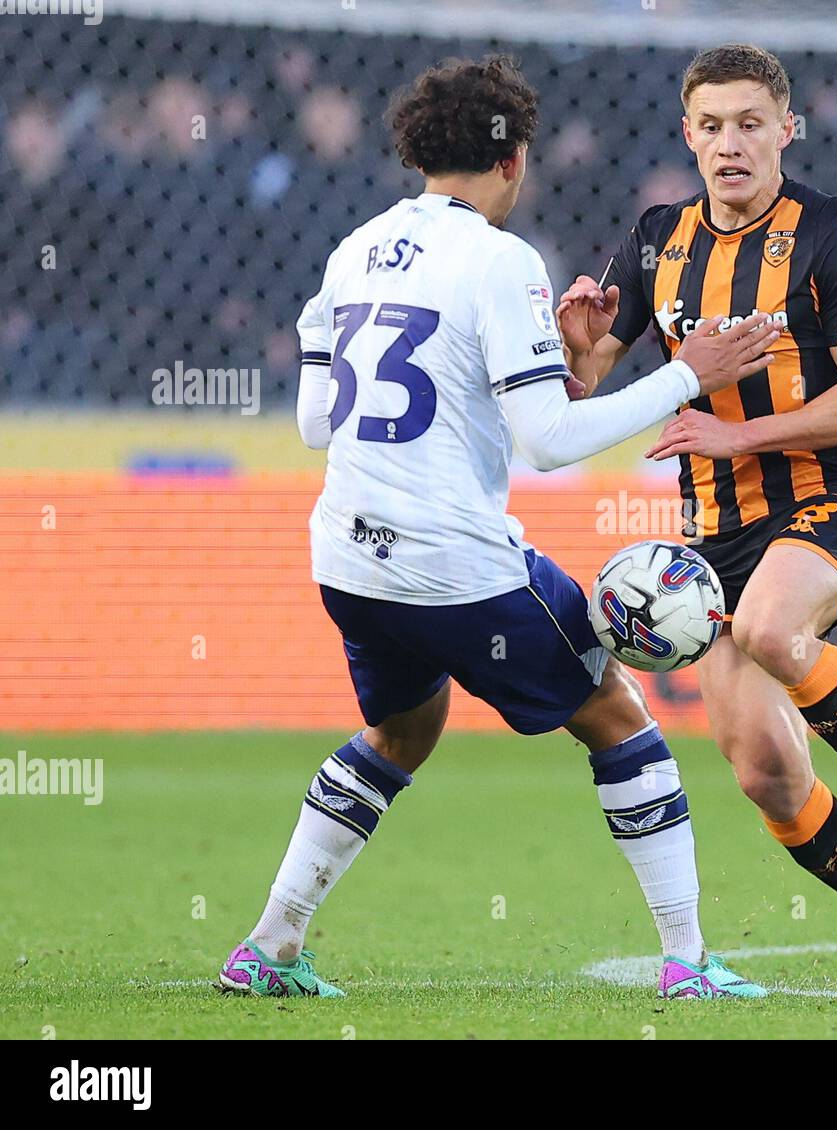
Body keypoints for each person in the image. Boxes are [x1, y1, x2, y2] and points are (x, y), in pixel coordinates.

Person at [219, 54, 780, 1000]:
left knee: (405, 731)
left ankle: (267, 948)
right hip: (455, 564)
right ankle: (687, 963)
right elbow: (551, 441)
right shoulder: (501, 258)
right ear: (515, 158)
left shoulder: (353, 249)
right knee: (619, 717)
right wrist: (692, 374)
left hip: (348, 560)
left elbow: (317, 422)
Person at [556, 44, 837, 982]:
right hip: (714, 542)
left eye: (750, 124)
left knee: (775, 629)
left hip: (833, 502)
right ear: (687, 135)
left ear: (789, 128)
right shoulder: (659, 239)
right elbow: (581, 402)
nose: (729, 144)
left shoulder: (834, 235)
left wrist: (737, 437)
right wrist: (577, 353)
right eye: (711, 126)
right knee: (768, 779)